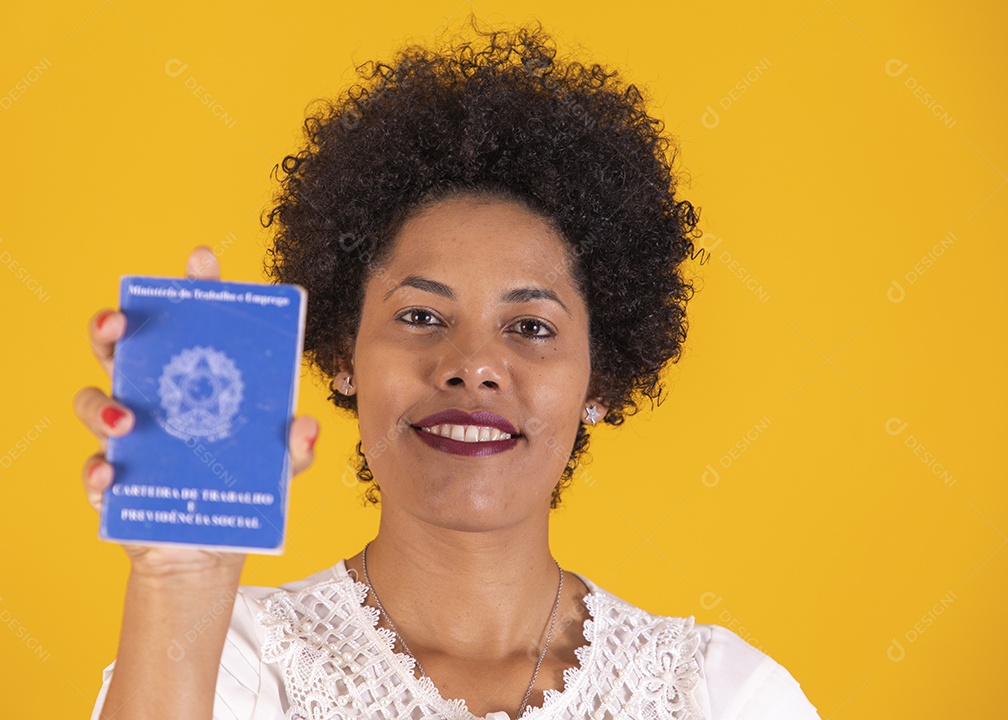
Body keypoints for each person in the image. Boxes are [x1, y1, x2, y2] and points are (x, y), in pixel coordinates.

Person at [78, 21, 821, 720]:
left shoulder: (724, 694)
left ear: (599, 378)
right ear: (343, 351)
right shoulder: (222, 666)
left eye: (530, 327)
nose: (472, 366)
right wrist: (180, 586)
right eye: (422, 317)